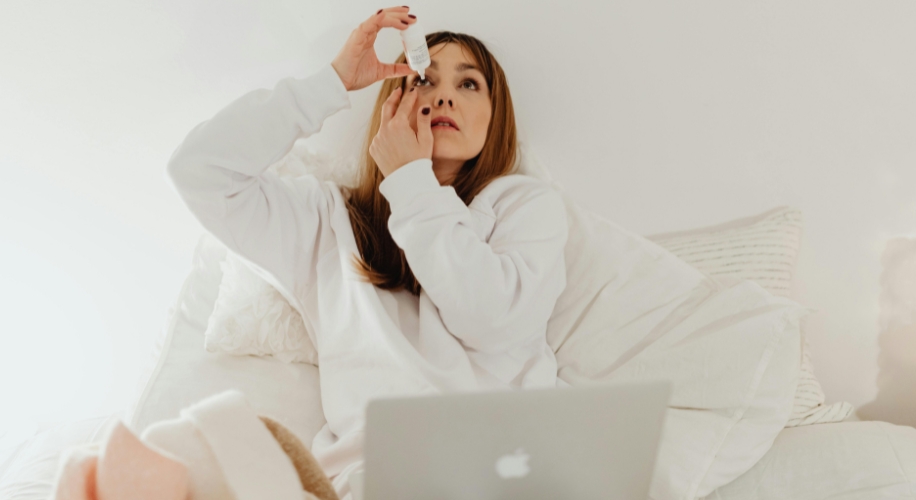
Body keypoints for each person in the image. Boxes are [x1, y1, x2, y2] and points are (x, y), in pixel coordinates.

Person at [166, 6, 568, 499]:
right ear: (393, 102)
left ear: (495, 116)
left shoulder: (525, 206)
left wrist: (410, 183)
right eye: (423, 78)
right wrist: (331, 83)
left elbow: (491, 319)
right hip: (372, 480)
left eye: (469, 84)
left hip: (499, 471)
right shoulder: (328, 221)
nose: (442, 94)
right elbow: (199, 172)